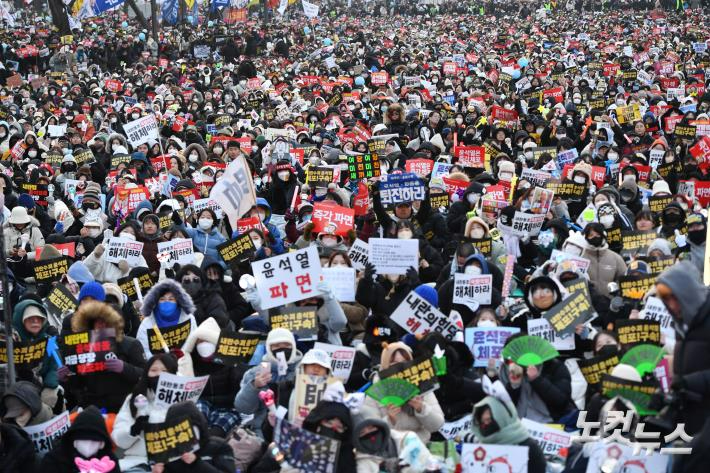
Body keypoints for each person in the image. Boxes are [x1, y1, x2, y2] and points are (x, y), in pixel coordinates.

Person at [656, 262, 710, 436]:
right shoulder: (682, 327)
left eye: (674, 298)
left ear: (687, 293)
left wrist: (688, 382)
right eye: (666, 300)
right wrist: (665, 391)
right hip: (690, 422)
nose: (671, 306)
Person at [362, 342, 444, 443]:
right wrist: (390, 419)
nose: (401, 367)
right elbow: (370, 433)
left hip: (420, 446)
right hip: (391, 449)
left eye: (406, 362)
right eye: (394, 364)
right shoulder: (376, 391)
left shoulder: (422, 386)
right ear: (385, 366)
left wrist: (421, 408)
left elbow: (437, 425)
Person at [112, 353, 178, 472]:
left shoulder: (182, 400)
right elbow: (119, 439)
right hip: (138, 461)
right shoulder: (134, 399)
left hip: (173, 461)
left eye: (165, 371)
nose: (159, 374)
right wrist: (133, 430)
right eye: (154, 370)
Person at [234, 328, 302, 438]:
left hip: (296, 428)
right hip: (263, 431)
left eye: (286, 345)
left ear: (293, 346)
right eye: (276, 346)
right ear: (269, 348)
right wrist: (254, 386)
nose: (282, 349)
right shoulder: (255, 373)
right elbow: (243, 408)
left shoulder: (304, 369)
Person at [464, 396, 547, 473]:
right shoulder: (479, 449)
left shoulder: (529, 448)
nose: (485, 425)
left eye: (489, 420)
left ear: (504, 418)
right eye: (482, 422)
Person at [41, 405, 120, 473]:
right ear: (74, 442)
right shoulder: (55, 459)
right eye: (83, 440)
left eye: (94, 441)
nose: (88, 446)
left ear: (102, 444)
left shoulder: (109, 460)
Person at [135, 278, 198, 359]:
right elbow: (143, 351)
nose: (167, 302)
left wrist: (182, 356)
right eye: (162, 299)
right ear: (156, 302)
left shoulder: (188, 318)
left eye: (171, 299)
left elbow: (193, 341)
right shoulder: (147, 324)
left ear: (178, 301)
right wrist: (163, 362)